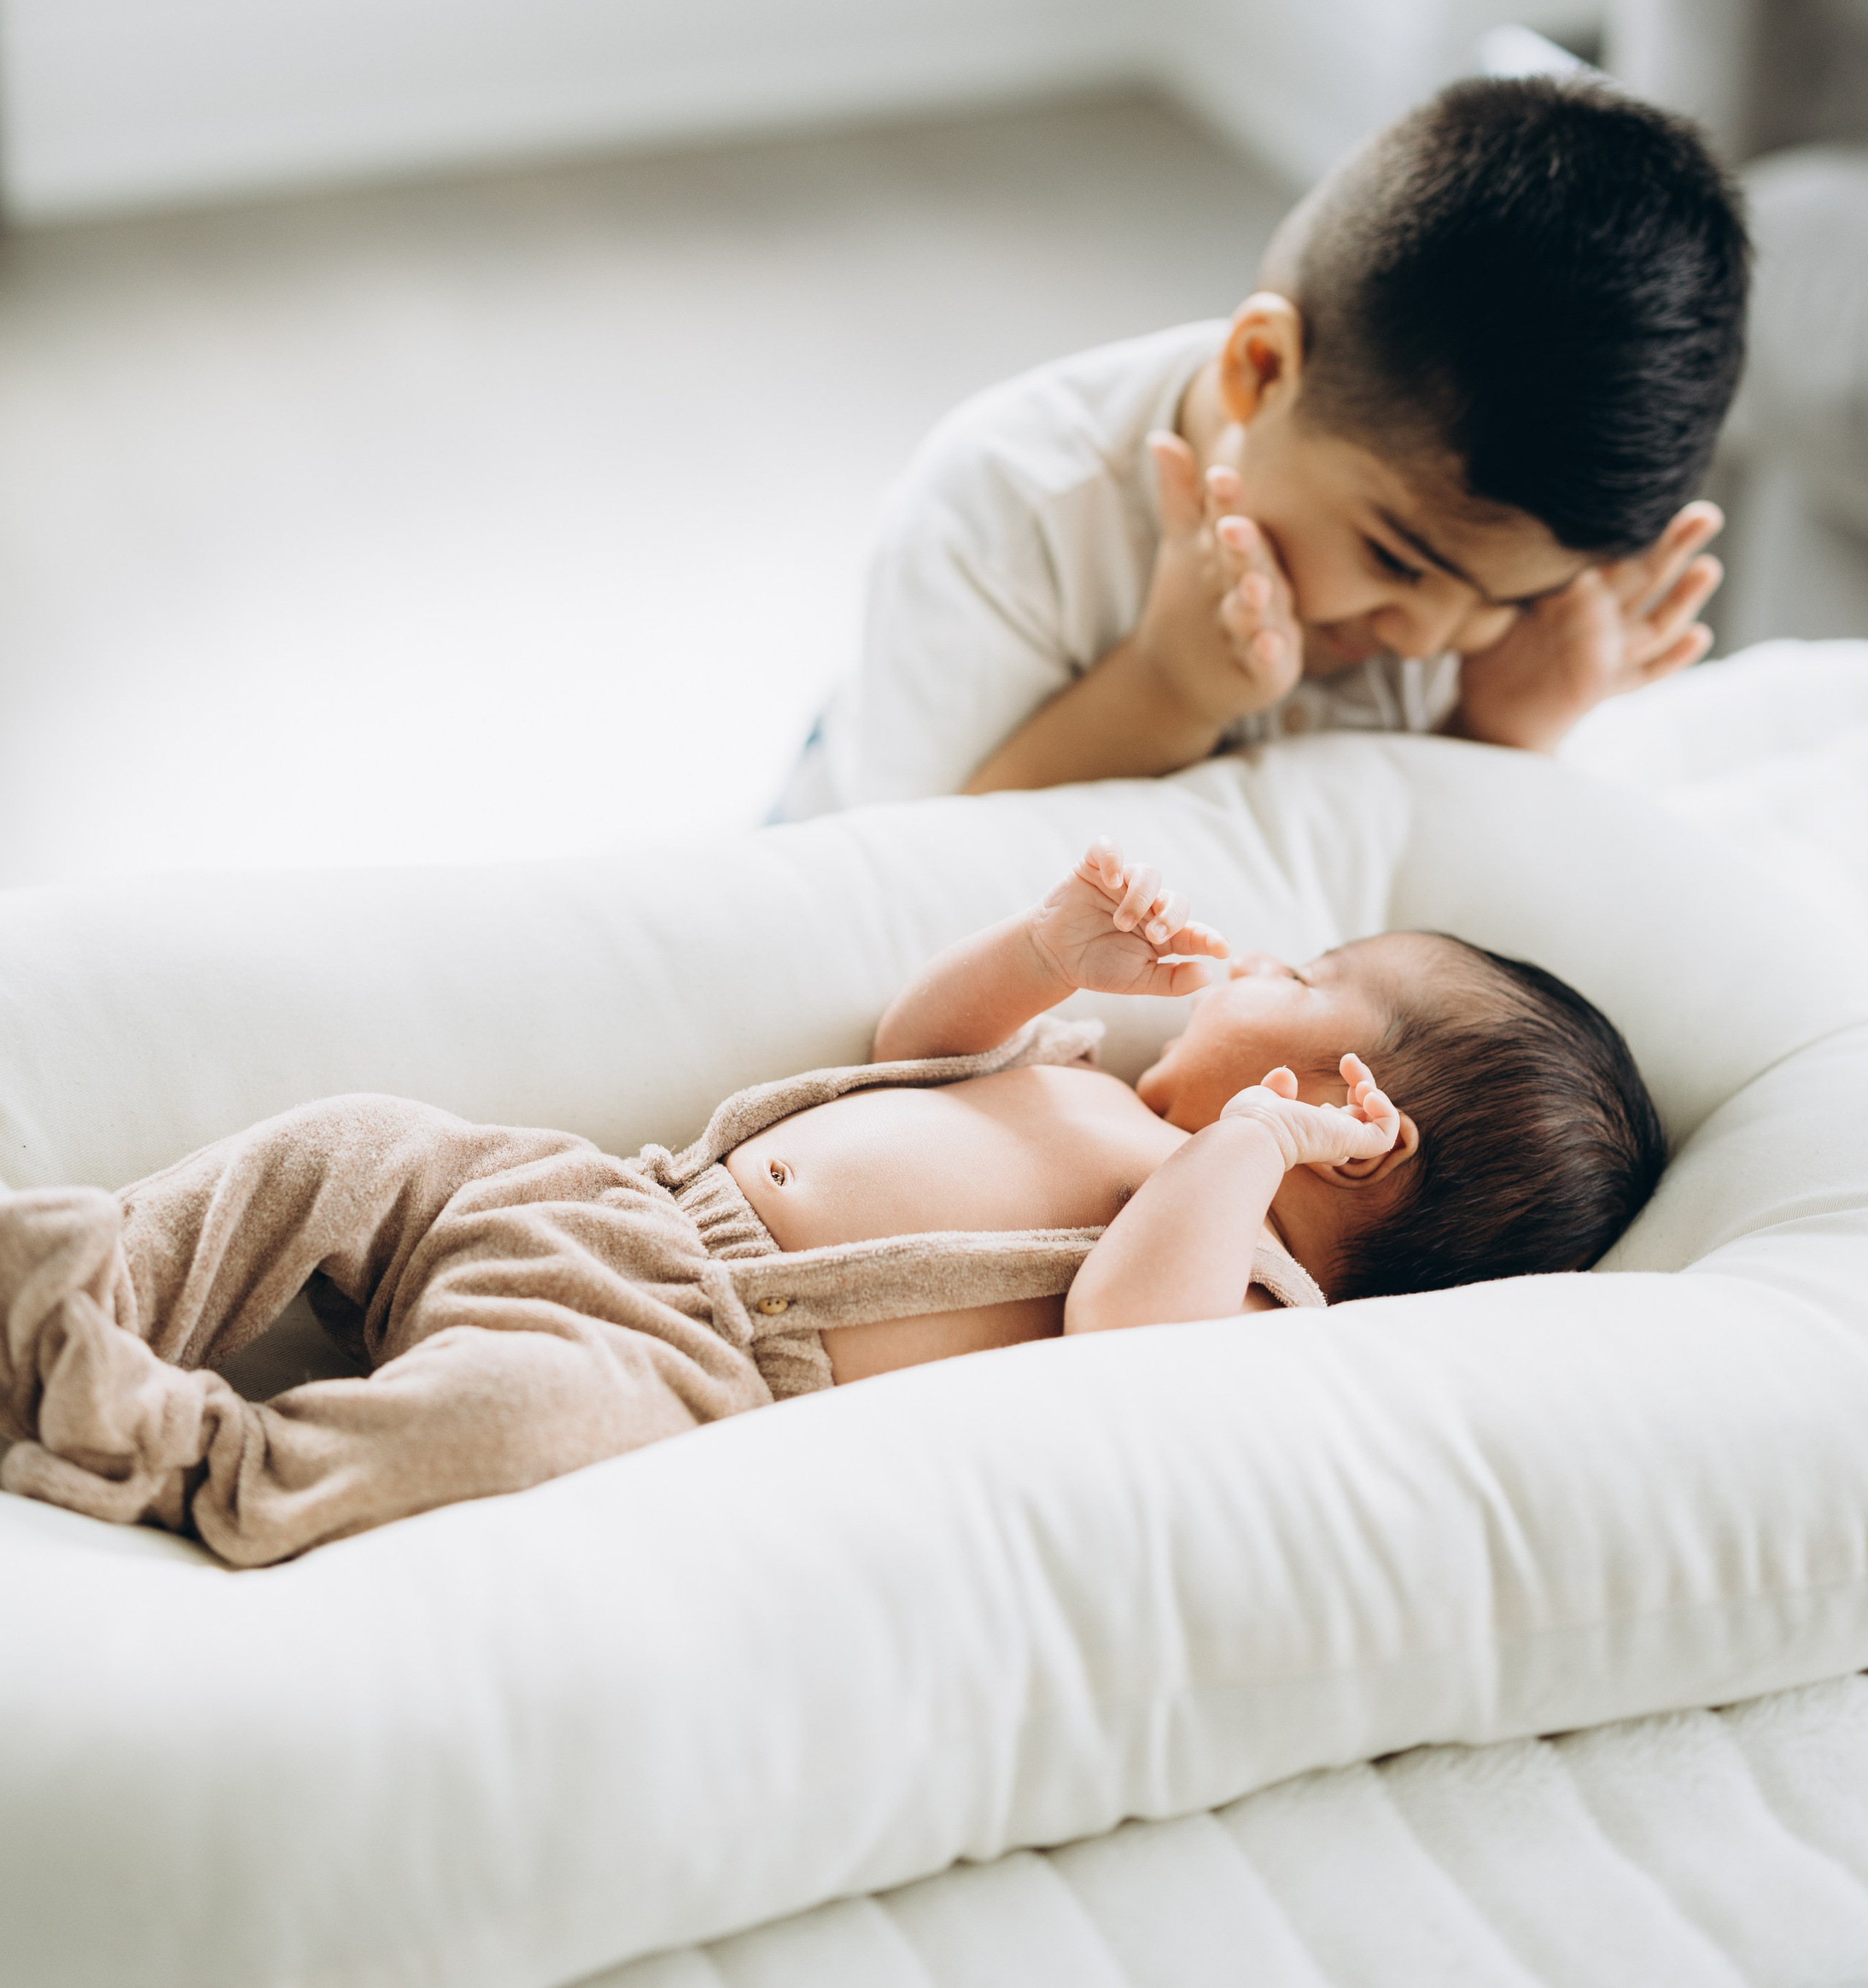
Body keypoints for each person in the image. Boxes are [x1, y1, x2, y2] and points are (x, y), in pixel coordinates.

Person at [0, 843, 1664, 1566]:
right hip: (609, 1196)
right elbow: (911, 1051)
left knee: (500, 1428)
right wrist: (1039, 955)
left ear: (1355, 1130)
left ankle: (180, 1446)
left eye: (1303, 983)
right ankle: (89, 1273)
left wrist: (1247, 1148)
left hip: (686, 1359)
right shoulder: (1098, 1083)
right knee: (352, 1141)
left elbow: (1117, 1338)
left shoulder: (1237, 1287)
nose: (1259, 968)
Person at [776, 75, 1751, 813]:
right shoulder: (1005, 505)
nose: (1434, 638)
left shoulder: (1488, 619)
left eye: (1517, 597)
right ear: (1261, 368)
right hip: (860, 824)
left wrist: (1498, 737)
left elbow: (1403, 910)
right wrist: (1163, 689)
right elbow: (915, 892)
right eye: (1395, 559)